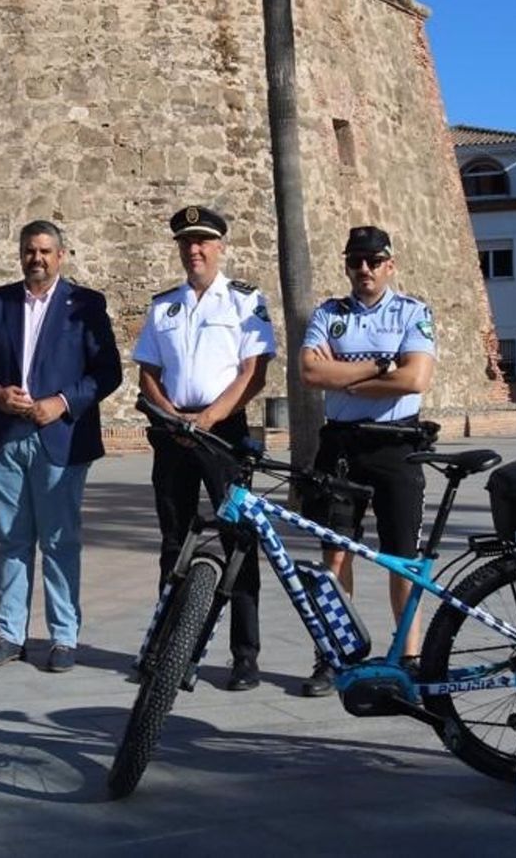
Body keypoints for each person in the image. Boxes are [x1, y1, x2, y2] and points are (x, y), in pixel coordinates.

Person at [0, 220, 122, 672]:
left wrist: (62, 403)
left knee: (60, 541)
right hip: (4, 438)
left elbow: (108, 372)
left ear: (61, 256)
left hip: (59, 439)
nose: (38, 258)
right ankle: (10, 633)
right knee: (12, 541)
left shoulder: (85, 305)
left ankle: (64, 638)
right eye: (30, 250)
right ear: (21, 254)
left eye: (46, 251)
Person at [131, 205, 276, 692]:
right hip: (173, 434)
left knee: (239, 542)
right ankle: (166, 648)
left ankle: (245, 655)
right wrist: (172, 415)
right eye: (186, 243)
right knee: (173, 542)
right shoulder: (163, 306)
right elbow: (147, 371)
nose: (194, 251)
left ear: (219, 246)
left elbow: (254, 373)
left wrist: (209, 418)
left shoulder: (244, 301)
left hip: (222, 434)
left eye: (203, 242)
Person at [297, 225, 437, 696]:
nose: (363, 270)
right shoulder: (329, 314)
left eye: (373, 261)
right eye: (355, 261)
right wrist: (380, 368)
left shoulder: (412, 312)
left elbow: (415, 379)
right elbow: (311, 371)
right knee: (334, 554)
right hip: (340, 446)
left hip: (397, 446)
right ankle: (333, 654)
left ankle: (410, 659)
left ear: (389, 265)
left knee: (403, 560)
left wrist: (346, 379)